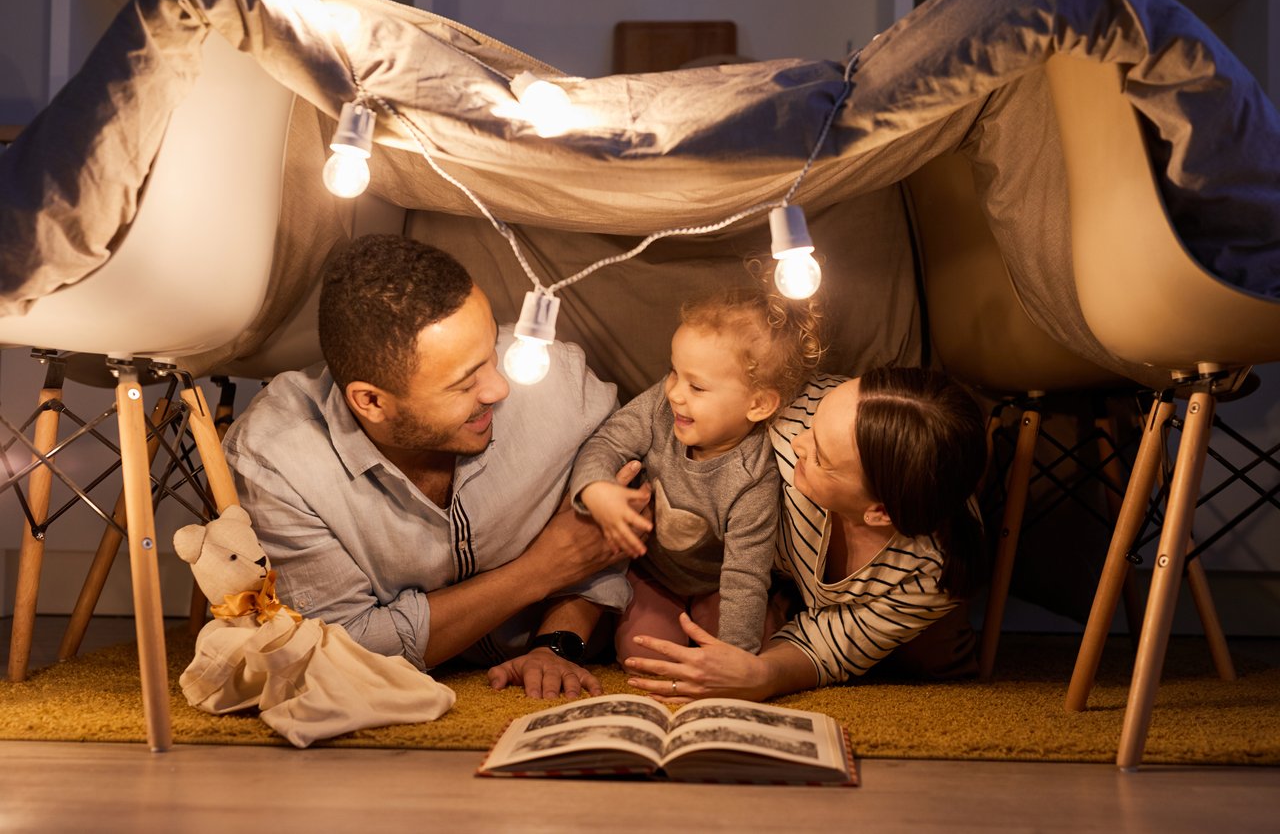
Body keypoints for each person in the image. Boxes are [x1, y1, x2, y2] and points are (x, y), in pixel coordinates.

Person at [222, 233, 635, 699]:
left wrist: (557, 643)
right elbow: (343, 651)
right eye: (464, 384)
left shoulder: (556, 382)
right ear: (372, 402)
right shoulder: (278, 462)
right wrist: (538, 570)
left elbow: (607, 538)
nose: (499, 388)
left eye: (491, 352)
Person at [622, 367, 987, 701]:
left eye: (820, 456)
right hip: (753, 562)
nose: (800, 443)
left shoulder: (925, 572)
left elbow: (829, 649)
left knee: (931, 660)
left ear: (878, 513)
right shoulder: (790, 413)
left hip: (893, 578)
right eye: (814, 425)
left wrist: (762, 676)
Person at [569, 287, 822, 664]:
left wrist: (734, 660)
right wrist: (595, 489)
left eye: (697, 386)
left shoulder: (753, 479)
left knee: (746, 644)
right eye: (673, 371)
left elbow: (744, 579)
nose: (675, 393)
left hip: (718, 585)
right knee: (643, 655)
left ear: (757, 404)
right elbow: (607, 442)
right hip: (652, 573)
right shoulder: (660, 406)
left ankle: (779, 608)